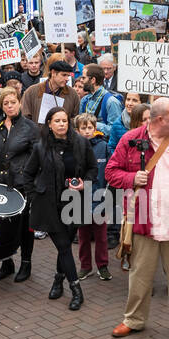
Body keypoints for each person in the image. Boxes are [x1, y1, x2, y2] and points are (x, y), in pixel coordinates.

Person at [106, 97, 169, 339]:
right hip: (144, 219)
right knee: (140, 274)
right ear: (160, 119)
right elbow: (111, 172)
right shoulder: (130, 141)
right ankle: (133, 319)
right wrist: (131, 178)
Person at [23, 107, 96, 310]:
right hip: (49, 205)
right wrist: (35, 196)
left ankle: (58, 279)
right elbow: (27, 174)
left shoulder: (81, 143)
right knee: (63, 246)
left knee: (64, 247)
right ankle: (76, 289)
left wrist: (85, 183)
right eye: (57, 121)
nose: (62, 124)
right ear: (49, 124)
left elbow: (93, 168)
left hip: (74, 202)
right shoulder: (41, 147)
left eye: (64, 120)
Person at [0, 87, 39, 283]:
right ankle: (6, 262)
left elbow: (37, 158)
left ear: (19, 103)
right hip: (0, 182)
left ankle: (26, 263)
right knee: (1, 225)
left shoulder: (30, 128)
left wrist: (33, 185)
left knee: (25, 226)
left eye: (13, 102)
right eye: (5, 103)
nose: (9, 106)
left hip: (22, 184)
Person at [73, 112, 111, 283]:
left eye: (90, 128)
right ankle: (85, 266)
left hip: (100, 198)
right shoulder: (73, 148)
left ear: (95, 129)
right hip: (80, 199)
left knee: (101, 236)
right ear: (77, 130)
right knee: (83, 235)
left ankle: (102, 266)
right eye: (84, 128)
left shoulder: (103, 146)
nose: (87, 131)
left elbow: (110, 172)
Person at [22, 55, 81, 124]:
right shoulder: (31, 92)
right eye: (64, 75)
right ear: (53, 73)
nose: (67, 79)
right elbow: (25, 118)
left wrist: (63, 123)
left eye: (68, 75)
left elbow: (76, 119)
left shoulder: (72, 94)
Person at [78, 63, 122, 141]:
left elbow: (115, 131)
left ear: (93, 80)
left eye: (84, 78)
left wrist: (93, 124)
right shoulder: (84, 100)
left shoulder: (111, 101)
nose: (81, 80)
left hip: (103, 147)